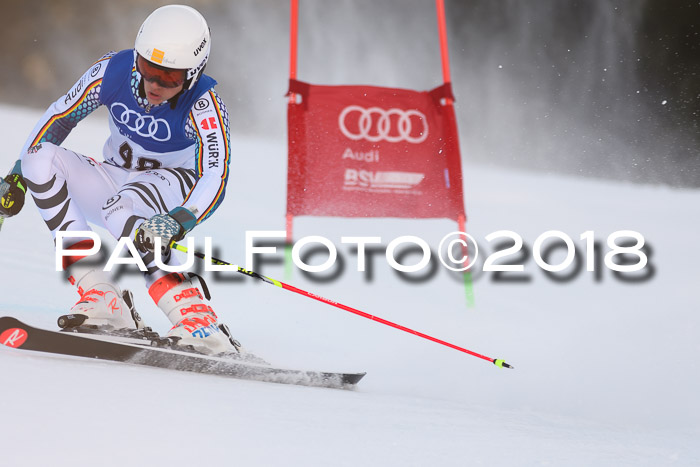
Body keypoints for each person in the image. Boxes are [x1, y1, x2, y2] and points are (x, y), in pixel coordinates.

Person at [0, 5, 239, 355]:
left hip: (174, 186)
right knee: (39, 159)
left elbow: (216, 175)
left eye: (170, 78)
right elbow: (58, 118)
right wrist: (16, 178)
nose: (155, 84)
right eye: (148, 69)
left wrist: (179, 219)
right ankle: (101, 296)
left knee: (121, 208)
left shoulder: (204, 104)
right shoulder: (113, 71)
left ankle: (197, 318)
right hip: (116, 177)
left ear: (193, 72)